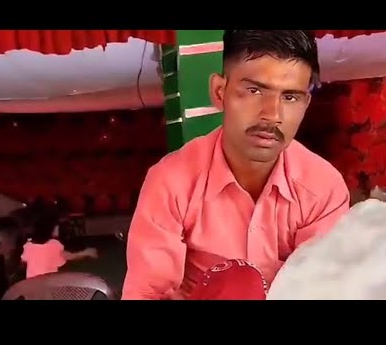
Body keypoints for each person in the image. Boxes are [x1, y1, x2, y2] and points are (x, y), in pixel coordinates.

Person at [122, 30, 350, 300]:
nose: (272, 115)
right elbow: (147, 293)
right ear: (220, 92)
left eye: (290, 97)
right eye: (254, 90)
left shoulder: (323, 188)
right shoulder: (171, 182)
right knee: (236, 282)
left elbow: (321, 290)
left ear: (305, 103)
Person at [20, 208, 98, 279]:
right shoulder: (54, 244)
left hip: (30, 285)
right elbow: (69, 256)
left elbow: (23, 261)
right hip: (48, 285)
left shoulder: (28, 245)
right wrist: (86, 252)